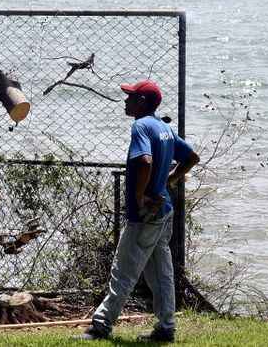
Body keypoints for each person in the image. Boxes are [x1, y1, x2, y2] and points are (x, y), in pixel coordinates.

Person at [79, 79, 199, 343]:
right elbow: (191, 157)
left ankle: (100, 326)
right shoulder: (164, 128)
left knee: (123, 271)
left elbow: (144, 161)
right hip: (164, 210)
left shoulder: (141, 126)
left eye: (130, 96)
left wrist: (140, 195)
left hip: (145, 215)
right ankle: (166, 328)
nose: (126, 100)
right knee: (161, 272)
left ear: (142, 102)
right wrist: (170, 180)